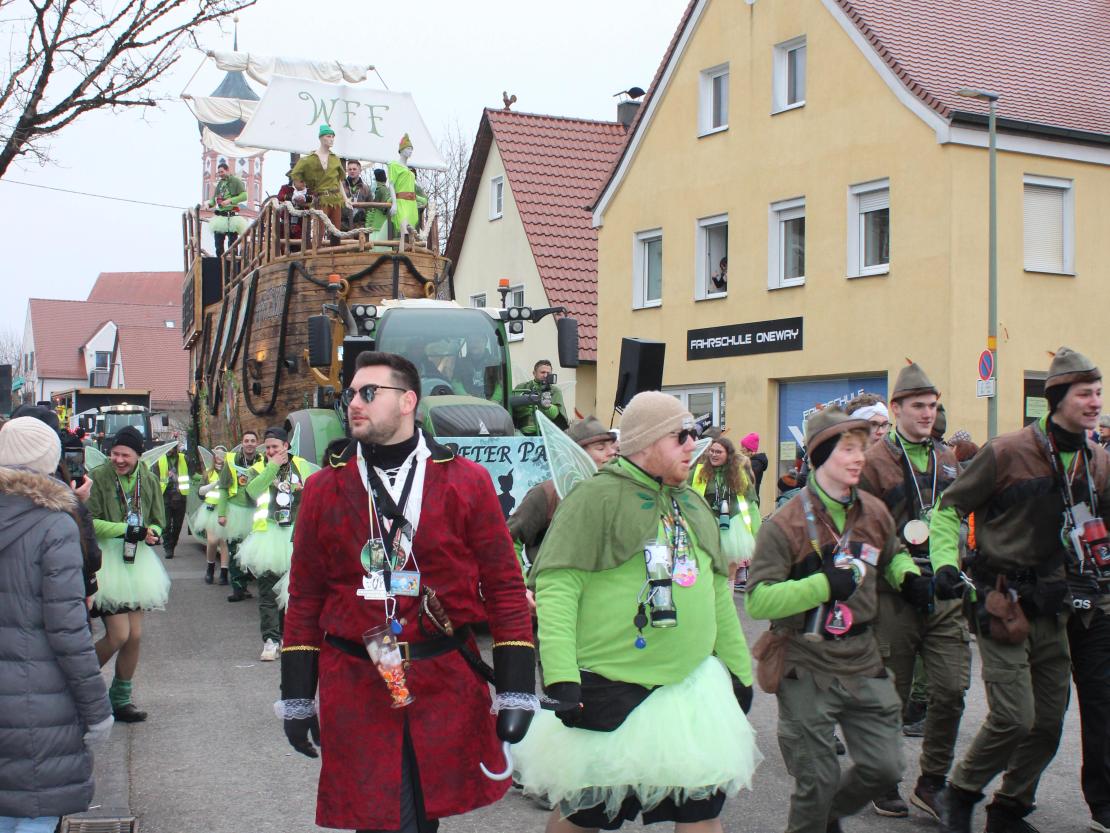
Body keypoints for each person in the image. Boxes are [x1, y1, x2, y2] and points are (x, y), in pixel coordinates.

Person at [278, 350, 536, 832]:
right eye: (351, 394)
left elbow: (504, 587)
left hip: (443, 679)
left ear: (407, 401)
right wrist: (297, 695)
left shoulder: (467, 480)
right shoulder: (324, 487)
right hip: (357, 681)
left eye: (369, 392)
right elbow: (306, 595)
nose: (354, 403)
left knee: (422, 815)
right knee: (378, 820)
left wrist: (517, 689)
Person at [515, 391, 760, 832]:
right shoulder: (595, 498)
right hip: (610, 685)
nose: (693, 445)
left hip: (690, 690)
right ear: (647, 441)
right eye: (681, 436)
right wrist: (561, 676)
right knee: (584, 815)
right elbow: (558, 588)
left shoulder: (691, 502)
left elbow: (716, 594)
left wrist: (740, 671)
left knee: (702, 812)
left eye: (694, 434)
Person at [931, 347, 1109, 833]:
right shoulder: (1008, 451)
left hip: (1056, 607)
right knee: (1014, 717)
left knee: (1049, 724)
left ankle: (1008, 809)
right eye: (1085, 393)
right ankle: (960, 791)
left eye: (1098, 392)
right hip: (1001, 602)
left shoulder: (1097, 461)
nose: (1095, 402)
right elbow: (949, 509)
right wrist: (945, 563)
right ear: (1058, 398)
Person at [747, 407, 921, 833]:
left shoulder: (873, 511)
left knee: (886, 766)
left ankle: (826, 813)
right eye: (848, 449)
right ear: (821, 455)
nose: (860, 457)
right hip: (804, 657)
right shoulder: (785, 522)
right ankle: (818, 812)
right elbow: (758, 600)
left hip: (861, 655)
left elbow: (893, 554)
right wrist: (822, 586)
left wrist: (909, 577)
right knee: (817, 778)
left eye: (862, 448)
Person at [857, 363, 968, 820]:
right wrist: (903, 574)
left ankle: (932, 781)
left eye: (933, 406)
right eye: (918, 406)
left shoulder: (948, 459)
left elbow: (954, 520)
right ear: (896, 408)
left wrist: (948, 566)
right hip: (893, 593)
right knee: (891, 695)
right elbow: (866, 530)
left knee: (952, 689)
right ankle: (883, 778)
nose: (927, 414)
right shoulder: (873, 461)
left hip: (941, 590)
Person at [0, 417, 113, 832]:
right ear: (50, 460)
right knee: (35, 811)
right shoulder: (53, 523)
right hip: (37, 701)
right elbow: (69, 632)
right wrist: (97, 710)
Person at [88, 426, 170, 723]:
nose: (119, 460)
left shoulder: (148, 479)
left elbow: (158, 520)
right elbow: (89, 521)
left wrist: (152, 532)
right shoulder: (98, 477)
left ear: (138, 455)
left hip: (137, 562)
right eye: (115, 454)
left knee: (134, 636)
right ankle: (77, 685)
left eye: (125, 455)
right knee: (118, 634)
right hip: (107, 562)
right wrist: (128, 529)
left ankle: (121, 700)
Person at [237, 427, 316, 662]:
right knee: (268, 591)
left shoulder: (301, 465)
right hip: (268, 536)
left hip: (295, 534)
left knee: (292, 591)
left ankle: (286, 637)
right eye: (268, 447)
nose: (271, 451)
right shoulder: (258, 467)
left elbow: (317, 491)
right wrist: (272, 467)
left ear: (286, 446)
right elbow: (252, 491)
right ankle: (270, 640)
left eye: (275, 447)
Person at [508, 416, 618, 575]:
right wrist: (519, 583)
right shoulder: (548, 493)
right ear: (575, 454)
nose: (612, 452)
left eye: (612, 446)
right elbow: (508, 541)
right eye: (600, 448)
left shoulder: (619, 491)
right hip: (551, 586)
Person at [692, 436, 761, 590]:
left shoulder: (739, 474)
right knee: (708, 568)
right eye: (711, 451)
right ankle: (710, 598)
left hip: (733, 527)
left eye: (718, 452)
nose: (713, 454)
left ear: (728, 454)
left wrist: (757, 533)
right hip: (707, 526)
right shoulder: (698, 472)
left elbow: (751, 503)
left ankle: (728, 599)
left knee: (730, 570)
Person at [220, 429, 263, 602]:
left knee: (254, 551)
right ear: (242, 443)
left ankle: (249, 583)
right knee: (235, 550)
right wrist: (221, 513)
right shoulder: (231, 461)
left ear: (257, 443)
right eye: (247, 441)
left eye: (253, 441)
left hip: (257, 511)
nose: (250, 444)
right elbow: (223, 488)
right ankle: (238, 588)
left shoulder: (263, 461)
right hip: (236, 511)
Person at [291, 124, 349, 239]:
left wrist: (346, 199)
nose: (331, 139)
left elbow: (338, 181)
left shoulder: (335, 158)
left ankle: (334, 250)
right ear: (321, 138)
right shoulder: (309, 159)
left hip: (336, 199)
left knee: (336, 234)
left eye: (333, 137)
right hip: (321, 199)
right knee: (319, 233)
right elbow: (296, 175)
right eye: (328, 136)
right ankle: (316, 250)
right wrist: (301, 188)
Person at [193, 445, 230, 586]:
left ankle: (224, 572)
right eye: (217, 454)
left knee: (224, 542)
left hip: (226, 510)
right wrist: (213, 484)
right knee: (212, 541)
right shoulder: (208, 473)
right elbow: (200, 492)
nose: (219, 457)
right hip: (210, 511)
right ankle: (210, 568)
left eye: (222, 454)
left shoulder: (231, 472)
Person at [512, 360, 569, 435]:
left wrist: (546, 406)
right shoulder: (521, 387)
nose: (545, 375)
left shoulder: (555, 391)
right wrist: (526, 401)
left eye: (548, 373)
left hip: (546, 433)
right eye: (542, 372)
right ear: (534, 373)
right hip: (521, 433)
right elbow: (513, 408)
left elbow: (557, 416)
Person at [155, 439, 190, 559]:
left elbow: (192, 474)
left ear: (176, 448)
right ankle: (167, 547)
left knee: (177, 525)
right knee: (165, 524)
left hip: (180, 495)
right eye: (167, 448)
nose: (169, 450)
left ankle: (172, 544)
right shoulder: (159, 460)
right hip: (165, 495)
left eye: (171, 448)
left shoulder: (184, 458)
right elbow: (154, 478)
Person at [208, 160, 248, 258]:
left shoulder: (235, 181)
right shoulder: (220, 183)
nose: (220, 174)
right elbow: (214, 198)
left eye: (222, 172)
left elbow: (244, 196)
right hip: (221, 217)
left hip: (232, 217)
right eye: (219, 172)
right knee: (218, 244)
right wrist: (209, 205)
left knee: (232, 244)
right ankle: (220, 262)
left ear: (227, 170)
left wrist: (230, 200)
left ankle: (232, 263)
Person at [341, 159, 372, 230]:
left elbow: (370, 209)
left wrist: (368, 224)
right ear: (347, 171)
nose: (352, 171)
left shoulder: (366, 189)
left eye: (354, 169)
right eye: (350, 169)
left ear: (360, 171)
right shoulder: (341, 187)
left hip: (360, 226)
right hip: (342, 225)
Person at [365, 167, 392, 238]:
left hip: (377, 222)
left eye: (374, 178)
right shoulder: (379, 188)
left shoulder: (381, 189)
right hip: (374, 222)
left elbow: (386, 203)